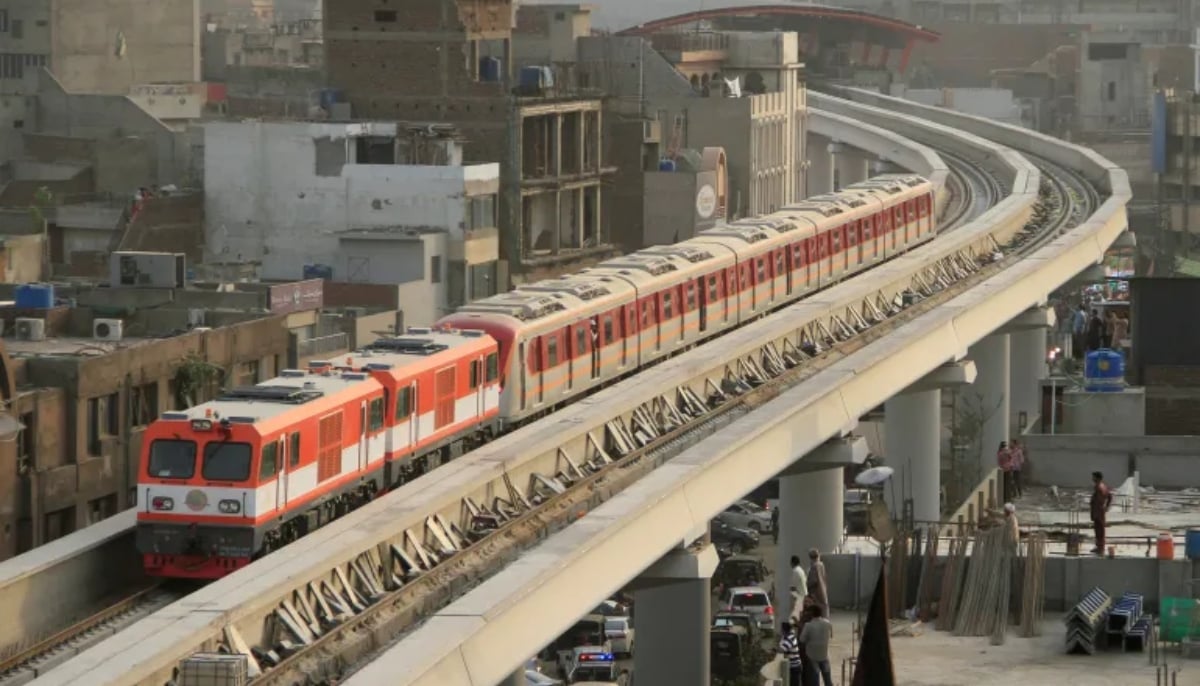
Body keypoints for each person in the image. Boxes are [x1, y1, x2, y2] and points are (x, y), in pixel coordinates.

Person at [798, 605, 835, 686]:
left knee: (815, 680)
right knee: (828, 680)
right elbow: (831, 636)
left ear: (811, 614)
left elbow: (802, 639)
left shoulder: (808, 626)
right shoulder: (827, 623)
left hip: (812, 657)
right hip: (824, 655)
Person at [1090, 471, 1113, 555]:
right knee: (1099, 529)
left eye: (1093, 477)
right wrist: (1106, 506)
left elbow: (1099, 501)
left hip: (1098, 511)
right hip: (1100, 511)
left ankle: (1100, 548)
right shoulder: (1104, 486)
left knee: (1099, 530)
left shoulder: (1098, 487)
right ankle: (1099, 546)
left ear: (1097, 478)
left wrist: (1100, 508)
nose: (1092, 479)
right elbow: (1110, 496)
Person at [776, 621, 802, 686]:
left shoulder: (789, 638)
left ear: (783, 630)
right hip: (793, 665)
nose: (780, 630)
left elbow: (781, 650)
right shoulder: (788, 636)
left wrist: (775, 649)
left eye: (781, 629)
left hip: (794, 667)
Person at [807, 549, 829, 618]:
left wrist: (807, 585)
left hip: (816, 593)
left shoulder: (814, 566)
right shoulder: (821, 565)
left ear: (811, 557)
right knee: (824, 609)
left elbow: (813, 581)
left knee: (818, 611)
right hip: (823, 591)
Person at [789, 555, 809, 621]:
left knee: (795, 617)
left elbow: (793, 587)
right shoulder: (801, 570)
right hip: (804, 594)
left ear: (792, 563)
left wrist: (793, 597)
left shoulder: (795, 571)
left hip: (799, 596)